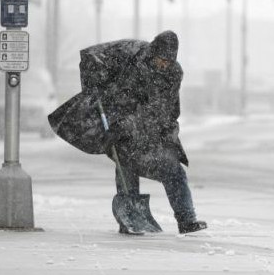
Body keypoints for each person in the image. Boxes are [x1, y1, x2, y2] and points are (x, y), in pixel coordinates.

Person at [49, 31, 207, 234]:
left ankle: (186, 220)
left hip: (153, 127)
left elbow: (163, 110)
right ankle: (129, 216)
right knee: (126, 159)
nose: (163, 65)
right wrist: (92, 89)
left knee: (173, 168)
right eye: (161, 59)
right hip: (118, 117)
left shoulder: (173, 74)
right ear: (153, 51)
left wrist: (142, 129)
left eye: (168, 61)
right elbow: (91, 56)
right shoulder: (130, 52)